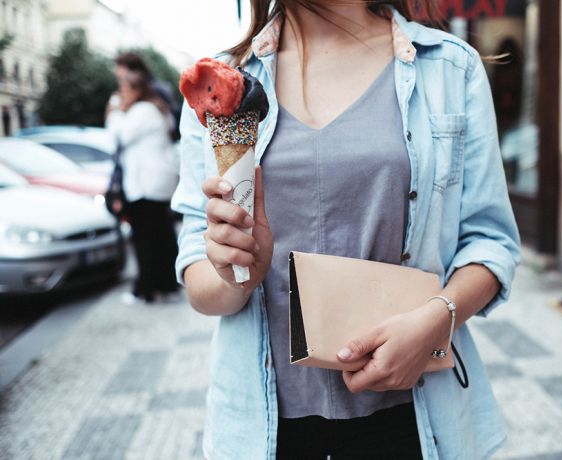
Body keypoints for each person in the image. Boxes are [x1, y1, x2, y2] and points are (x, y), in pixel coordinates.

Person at [172, 0, 521, 458]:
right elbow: (198, 271)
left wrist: (437, 319)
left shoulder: (450, 69)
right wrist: (236, 270)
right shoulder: (223, 82)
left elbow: (490, 241)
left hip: (414, 416)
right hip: (264, 426)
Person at [107, 68, 180, 303]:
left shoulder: (140, 112)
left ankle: (146, 290)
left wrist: (115, 112)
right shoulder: (156, 108)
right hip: (158, 183)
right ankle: (167, 286)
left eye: (124, 90)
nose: (121, 95)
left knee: (145, 239)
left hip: (145, 186)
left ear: (136, 91)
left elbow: (117, 136)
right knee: (162, 236)